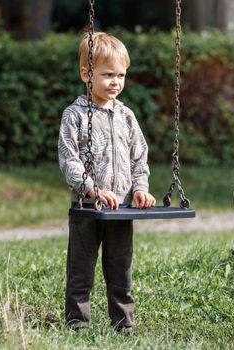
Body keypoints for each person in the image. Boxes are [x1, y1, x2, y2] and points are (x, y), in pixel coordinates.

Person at [58, 32, 156, 333]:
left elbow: (139, 156)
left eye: (121, 75)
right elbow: (68, 159)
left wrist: (140, 188)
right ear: (87, 74)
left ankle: (124, 325)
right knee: (81, 271)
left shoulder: (127, 116)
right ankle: (77, 324)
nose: (115, 82)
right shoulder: (75, 115)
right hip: (88, 207)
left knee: (120, 270)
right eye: (108, 75)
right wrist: (91, 187)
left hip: (122, 208)